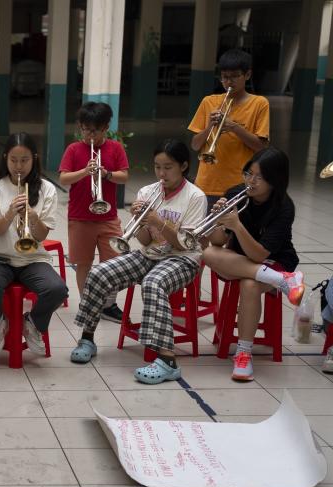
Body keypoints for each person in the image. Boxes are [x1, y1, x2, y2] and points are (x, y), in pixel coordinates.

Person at [69, 139, 208, 383]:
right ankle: (87, 338)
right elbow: (145, 241)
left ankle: (167, 360)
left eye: (168, 167)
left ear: (184, 166)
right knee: (100, 273)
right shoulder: (148, 192)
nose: (162, 173)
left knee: (154, 283)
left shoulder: (195, 197)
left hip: (183, 259)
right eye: (157, 167)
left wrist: (157, 221)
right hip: (150, 254)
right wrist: (142, 221)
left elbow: (184, 244)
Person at [202, 147, 304, 382]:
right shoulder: (236, 193)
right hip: (240, 259)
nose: (251, 181)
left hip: (275, 260)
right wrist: (219, 221)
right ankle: (283, 282)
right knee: (208, 253)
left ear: (275, 180)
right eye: (248, 173)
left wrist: (237, 226)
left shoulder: (284, 207)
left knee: (249, 286)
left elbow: (259, 255)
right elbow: (218, 242)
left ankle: (243, 355)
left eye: (259, 177)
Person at [0, 132, 68, 356]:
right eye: (13, 160)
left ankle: (33, 322)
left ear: (34, 159)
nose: (19, 166)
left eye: (24, 160)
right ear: (5, 158)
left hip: (32, 258)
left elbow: (41, 237)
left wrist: (33, 217)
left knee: (57, 289)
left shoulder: (46, 188)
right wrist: (9, 214)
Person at [58, 102, 129, 323]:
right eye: (86, 129)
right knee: (83, 263)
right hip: (80, 217)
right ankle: (86, 304)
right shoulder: (73, 149)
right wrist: (84, 172)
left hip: (108, 216)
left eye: (95, 130)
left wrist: (106, 174)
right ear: (80, 127)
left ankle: (109, 304)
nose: (90, 135)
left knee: (114, 262)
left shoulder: (115, 148)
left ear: (106, 127)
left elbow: (124, 176)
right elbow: (63, 178)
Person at [188, 48, 270, 211]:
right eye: (225, 77)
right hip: (206, 183)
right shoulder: (209, 102)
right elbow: (195, 145)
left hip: (240, 185)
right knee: (203, 233)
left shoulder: (259, 103)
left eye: (234, 77)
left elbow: (261, 147)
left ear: (247, 75)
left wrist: (233, 126)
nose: (229, 82)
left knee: (232, 234)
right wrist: (210, 126)